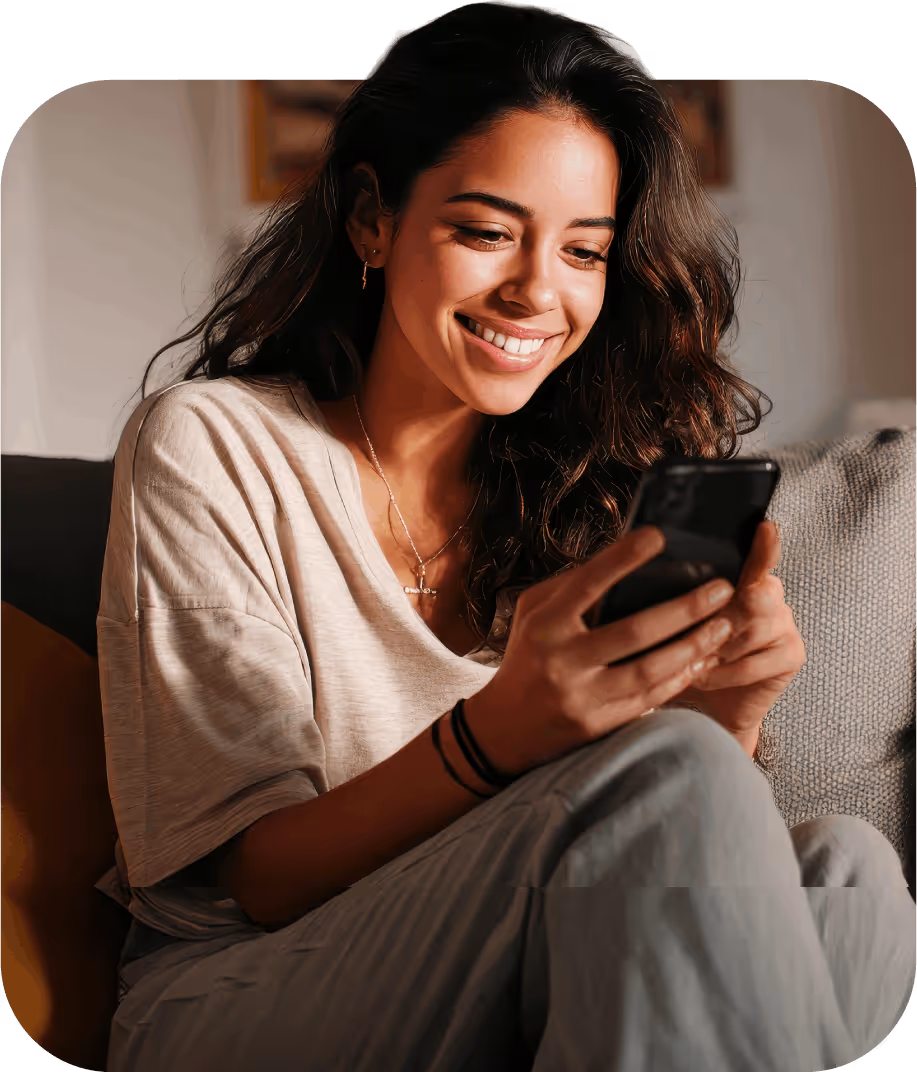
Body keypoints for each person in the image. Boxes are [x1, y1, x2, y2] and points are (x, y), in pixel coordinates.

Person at [95, 4, 915, 1069]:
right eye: (485, 232)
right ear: (371, 221)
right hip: (236, 988)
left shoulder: (590, 490)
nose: (538, 290)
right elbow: (257, 878)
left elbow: (648, 859)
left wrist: (722, 715)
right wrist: (495, 735)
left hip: (520, 953)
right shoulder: (213, 444)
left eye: (583, 250)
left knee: (844, 872)